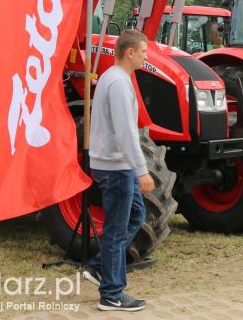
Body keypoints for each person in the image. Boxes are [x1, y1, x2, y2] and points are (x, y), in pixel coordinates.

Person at [83, 29, 154, 312]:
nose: (147, 57)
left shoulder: (114, 78)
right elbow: (126, 133)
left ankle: (100, 267)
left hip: (115, 165)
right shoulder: (119, 84)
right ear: (130, 53)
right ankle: (112, 294)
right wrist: (142, 170)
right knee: (115, 229)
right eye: (144, 52)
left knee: (136, 215)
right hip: (117, 168)